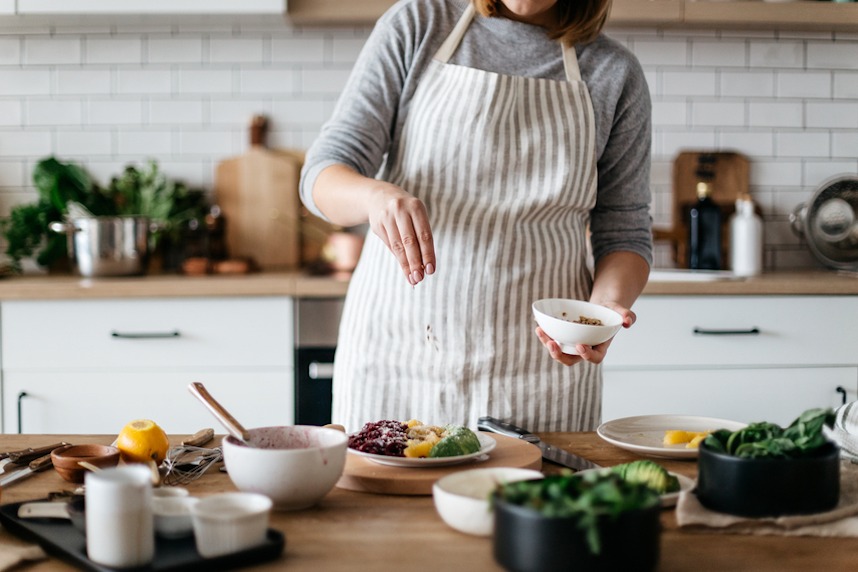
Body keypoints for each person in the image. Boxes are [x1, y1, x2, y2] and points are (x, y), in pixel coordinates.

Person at [299, 0, 652, 433]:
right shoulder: (419, 25)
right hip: (402, 356)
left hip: (541, 370)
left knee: (531, 501)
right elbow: (322, 174)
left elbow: (625, 230)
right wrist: (373, 197)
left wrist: (600, 315)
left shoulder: (613, 71)